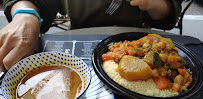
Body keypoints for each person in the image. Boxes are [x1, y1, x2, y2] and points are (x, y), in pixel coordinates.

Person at [0, 0, 183, 72]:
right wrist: (25, 15)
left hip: (138, 39)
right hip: (78, 47)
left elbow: (167, 16)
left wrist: (155, 4)